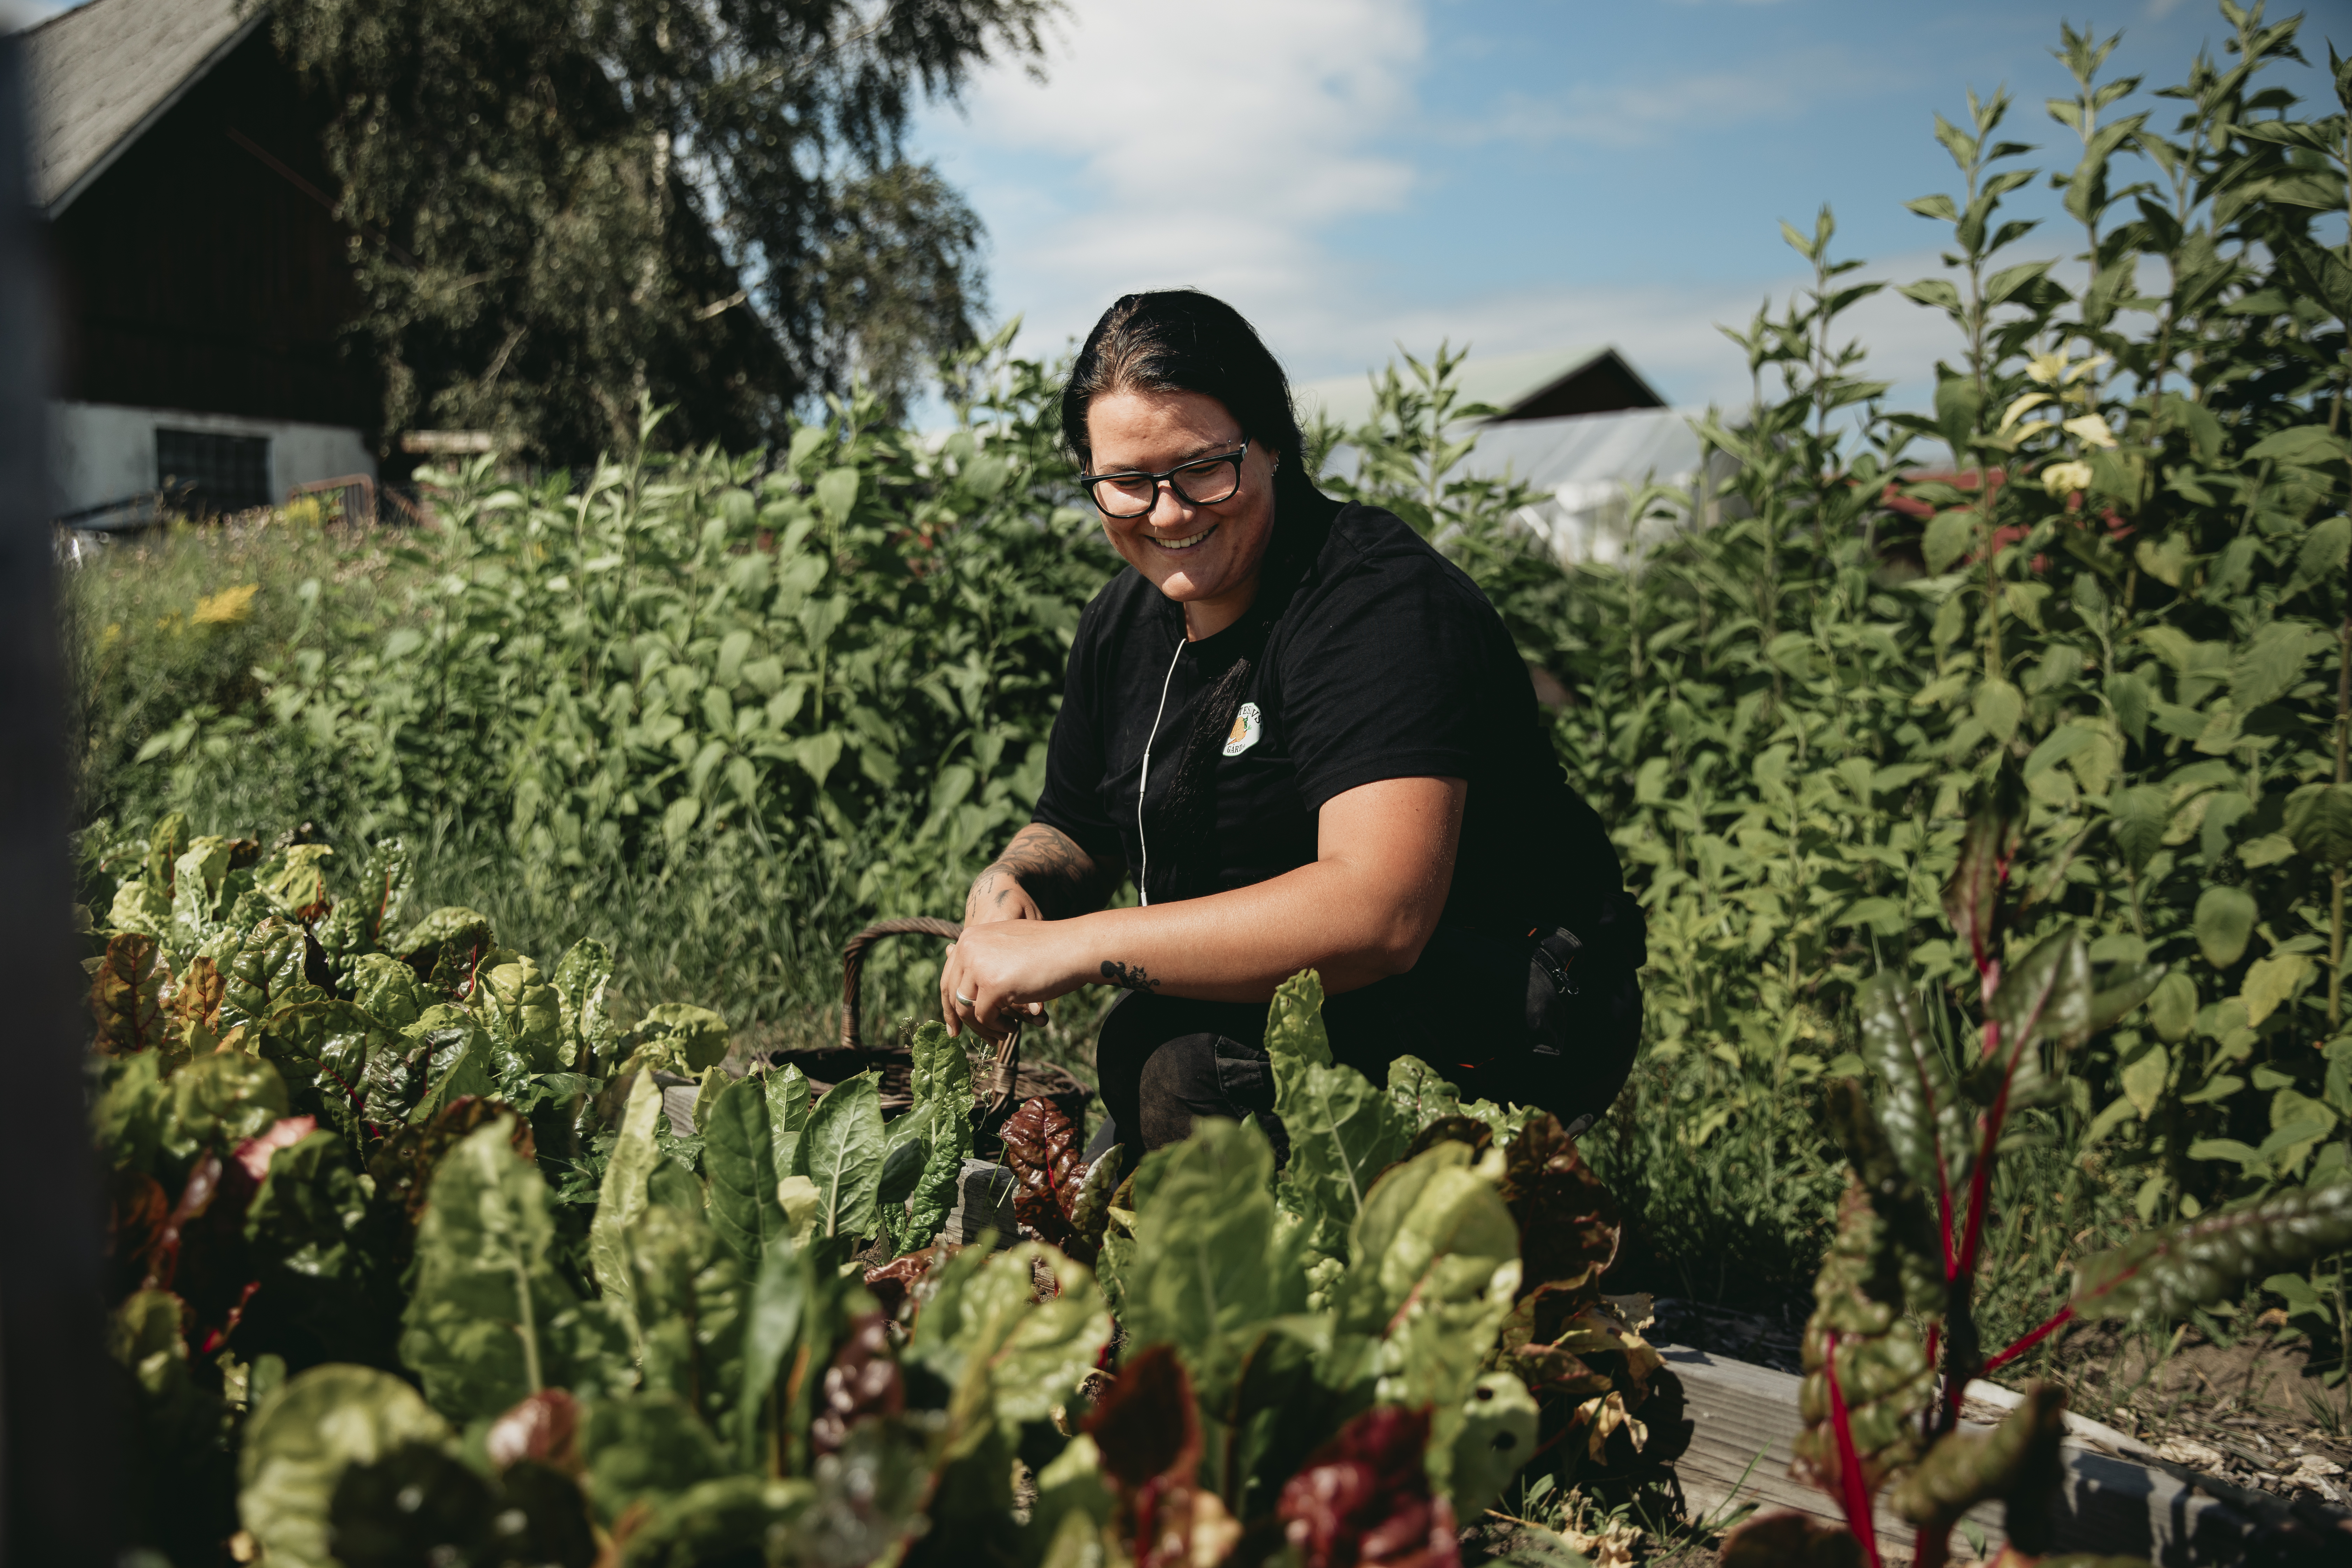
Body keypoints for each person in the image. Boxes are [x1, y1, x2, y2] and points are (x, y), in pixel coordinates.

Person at [937, 289, 1642, 1172]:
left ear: (1271, 442)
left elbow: (1380, 913)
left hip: (1502, 1004)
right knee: (1137, 1113)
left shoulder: (1375, 604)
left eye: (1203, 469)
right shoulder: (1123, 622)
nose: (1168, 512)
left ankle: (1424, 1231)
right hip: (1301, 1002)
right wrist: (1013, 883)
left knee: (1178, 1067)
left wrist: (1077, 947)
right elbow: (1075, 825)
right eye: (1127, 483)